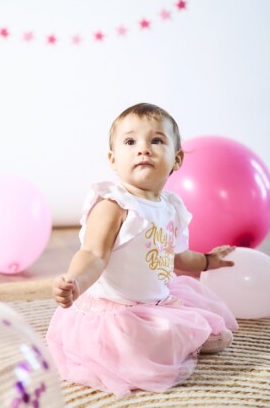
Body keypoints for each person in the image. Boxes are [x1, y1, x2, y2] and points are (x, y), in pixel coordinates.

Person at [46, 102, 238, 398]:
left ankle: (177, 335)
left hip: (156, 301)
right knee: (134, 351)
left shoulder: (171, 207)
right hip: (118, 311)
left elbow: (177, 256)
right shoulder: (113, 205)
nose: (144, 149)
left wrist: (207, 261)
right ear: (113, 159)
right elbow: (93, 254)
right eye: (130, 142)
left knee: (201, 325)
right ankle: (159, 344)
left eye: (156, 140)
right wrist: (76, 281)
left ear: (177, 159)